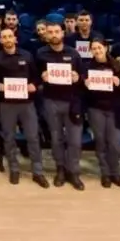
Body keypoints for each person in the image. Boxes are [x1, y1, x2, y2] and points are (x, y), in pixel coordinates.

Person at [0, 28, 49, 188]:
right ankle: (14, 169)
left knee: (33, 137)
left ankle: (37, 171)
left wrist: (34, 85)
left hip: (27, 104)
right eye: (4, 37)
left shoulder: (27, 56)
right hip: (7, 104)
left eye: (10, 36)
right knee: (9, 137)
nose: (7, 39)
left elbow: (36, 77)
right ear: (1, 41)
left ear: (15, 39)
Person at [34, 21, 85, 190]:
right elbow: (33, 78)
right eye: (50, 32)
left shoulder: (73, 53)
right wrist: (41, 77)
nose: (54, 35)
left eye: (57, 31)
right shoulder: (40, 54)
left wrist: (78, 77)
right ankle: (60, 169)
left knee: (75, 140)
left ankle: (74, 171)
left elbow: (84, 76)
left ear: (63, 33)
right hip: (50, 101)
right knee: (56, 139)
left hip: (72, 101)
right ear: (46, 35)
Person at [81, 39, 120, 188]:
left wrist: (119, 83)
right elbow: (82, 90)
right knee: (101, 142)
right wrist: (84, 84)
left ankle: (116, 173)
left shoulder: (118, 66)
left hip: (114, 109)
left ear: (106, 48)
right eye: (94, 48)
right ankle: (105, 173)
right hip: (95, 109)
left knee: (114, 144)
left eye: (99, 47)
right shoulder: (87, 67)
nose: (97, 51)